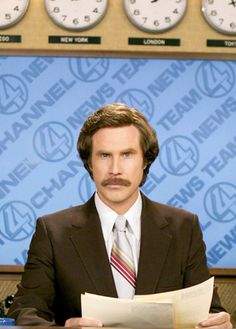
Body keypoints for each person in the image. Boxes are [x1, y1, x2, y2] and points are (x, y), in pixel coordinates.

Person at [8, 103, 232, 328]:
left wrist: (218, 322)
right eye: (105, 155)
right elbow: (25, 313)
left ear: (145, 161)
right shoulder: (52, 232)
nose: (115, 169)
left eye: (127, 154)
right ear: (90, 163)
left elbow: (209, 310)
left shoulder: (184, 227)